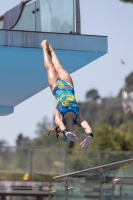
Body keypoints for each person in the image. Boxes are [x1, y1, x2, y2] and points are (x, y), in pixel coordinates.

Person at [41, 40, 93, 148]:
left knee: (50, 67)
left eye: (69, 136)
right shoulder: (78, 119)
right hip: (69, 85)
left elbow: (58, 122)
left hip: (56, 87)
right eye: (72, 135)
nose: (73, 134)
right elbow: (86, 126)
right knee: (58, 66)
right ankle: (50, 48)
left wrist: (65, 132)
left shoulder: (60, 117)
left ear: (62, 132)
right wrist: (89, 135)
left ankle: (44, 48)